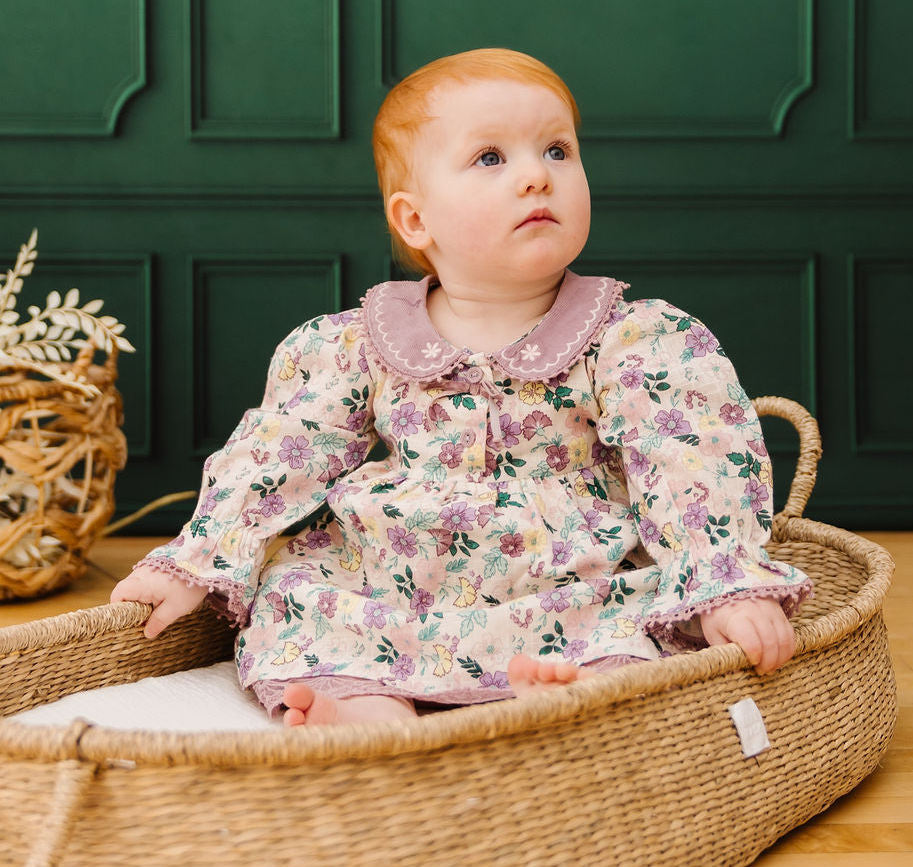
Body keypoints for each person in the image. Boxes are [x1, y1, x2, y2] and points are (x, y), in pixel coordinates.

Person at [112, 48, 811, 727]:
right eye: (490, 158)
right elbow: (280, 449)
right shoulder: (357, 343)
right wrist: (197, 558)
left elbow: (689, 457)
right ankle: (361, 711)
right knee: (300, 599)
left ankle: (561, 704)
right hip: (388, 581)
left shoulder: (633, 338)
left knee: (628, 623)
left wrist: (724, 581)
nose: (536, 178)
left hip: (564, 580)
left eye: (557, 151)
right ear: (415, 219)